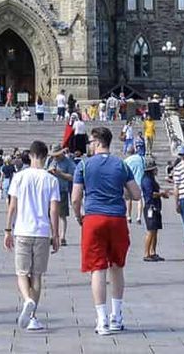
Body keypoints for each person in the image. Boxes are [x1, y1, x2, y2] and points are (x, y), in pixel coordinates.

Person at [72, 125, 141, 336]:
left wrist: (79, 216)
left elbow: (76, 198)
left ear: (98, 142)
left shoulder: (83, 165)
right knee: (117, 266)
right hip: (117, 218)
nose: (89, 146)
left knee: (97, 269)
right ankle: (116, 316)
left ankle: (101, 320)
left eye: (90, 142)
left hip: (93, 218)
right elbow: (136, 194)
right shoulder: (121, 164)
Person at [5, 139, 60, 332]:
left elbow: (12, 206)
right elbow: (54, 210)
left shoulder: (19, 177)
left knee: (21, 273)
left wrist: (7, 229)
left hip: (22, 230)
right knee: (37, 275)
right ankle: (33, 316)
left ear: (30, 156)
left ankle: (27, 300)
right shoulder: (51, 179)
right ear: (45, 157)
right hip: (42, 232)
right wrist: (56, 234)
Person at [49, 146, 76, 246]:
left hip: (62, 190)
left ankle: (62, 236)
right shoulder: (51, 161)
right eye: (53, 156)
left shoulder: (68, 162)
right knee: (51, 214)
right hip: (51, 191)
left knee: (62, 215)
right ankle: (53, 235)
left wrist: (60, 173)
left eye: (56, 155)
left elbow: (72, 177)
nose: (55, 157)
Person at [141, 158, 166, 261]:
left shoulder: (151, 179)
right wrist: (162, 194)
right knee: (151, 230)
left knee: (155, 230)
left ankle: (153, 251)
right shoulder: (146, 180)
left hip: (155, 206)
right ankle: (146, 253)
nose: (157, 170)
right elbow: (150, 194)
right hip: (150, 206)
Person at [123, 144, 146, 225]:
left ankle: (129, 216)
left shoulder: (126, 161)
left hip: (129, 182)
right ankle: (139, 217)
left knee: (128, 199)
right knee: (140, 199)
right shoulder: (141, 159)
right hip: (140, 180)